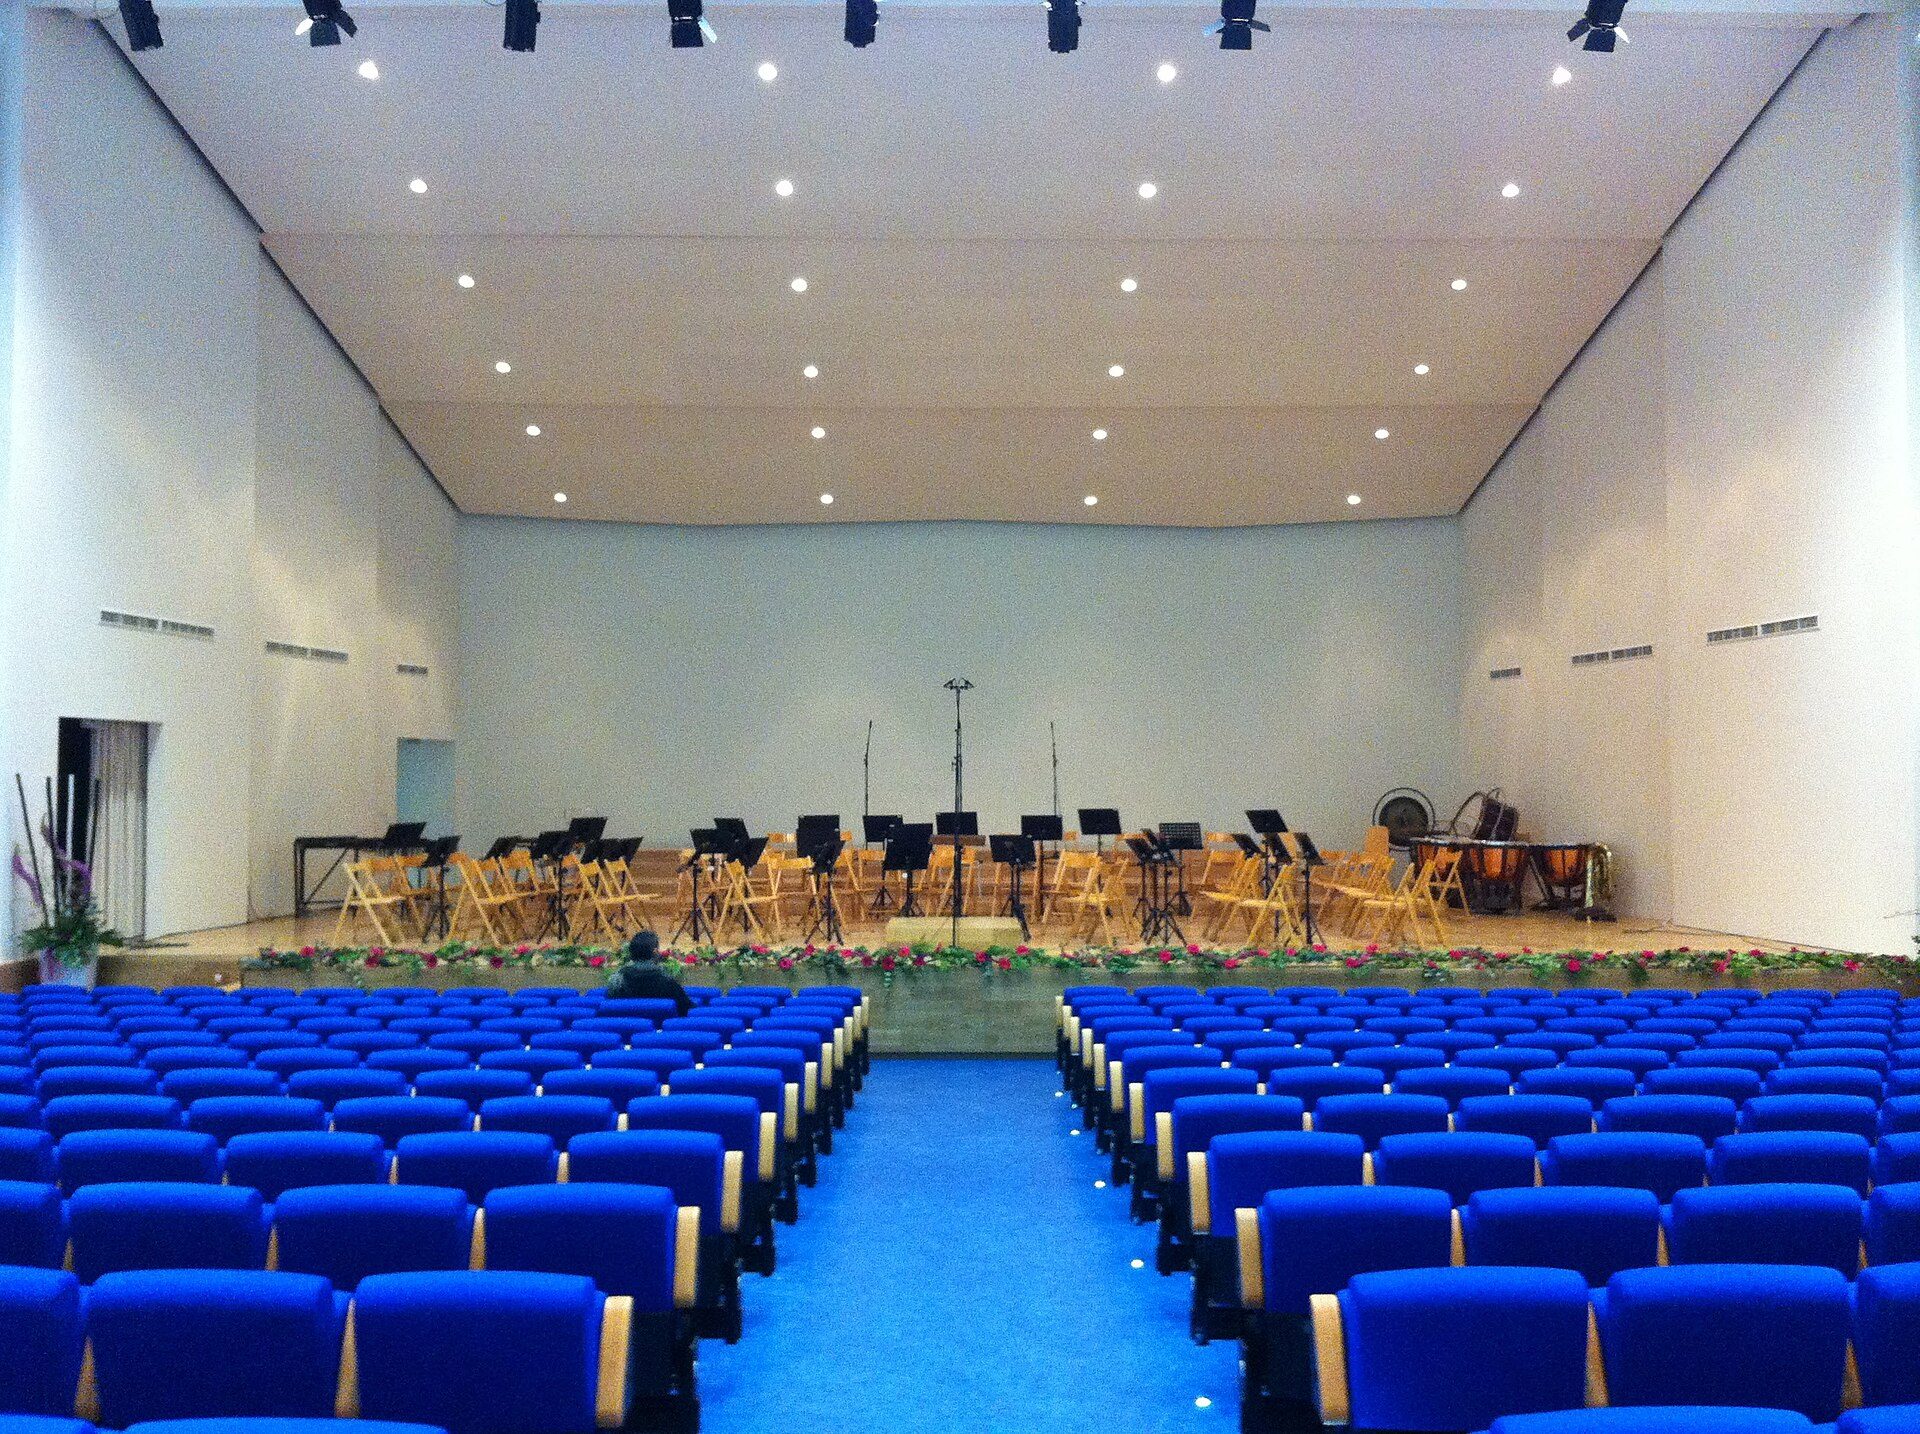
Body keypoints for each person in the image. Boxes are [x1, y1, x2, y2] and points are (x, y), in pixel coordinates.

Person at [606, 929, 693, 1014]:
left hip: (626, 1027)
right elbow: (687, 1009)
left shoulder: (617, 980)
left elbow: (611, 1009)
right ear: (655, 952)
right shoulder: (668, 981)